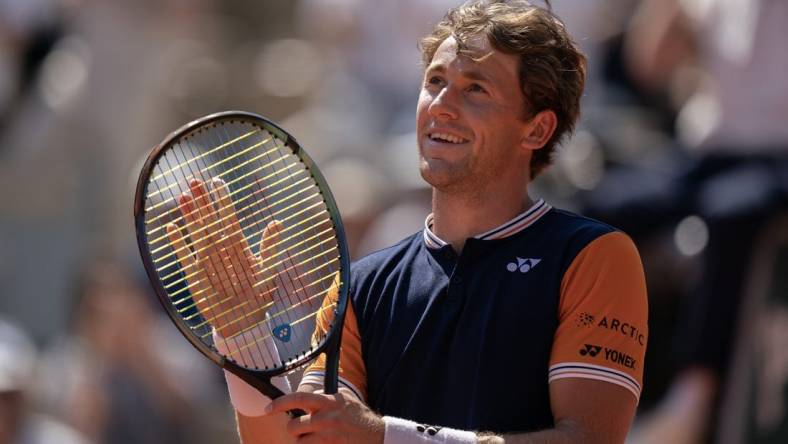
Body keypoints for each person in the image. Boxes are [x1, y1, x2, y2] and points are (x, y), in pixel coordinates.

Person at [168, 1, 648, 442]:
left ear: (537, 128)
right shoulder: (359, 288)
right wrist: (245, 341)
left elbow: (587, 439)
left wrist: (384, 436)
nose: (441, 105)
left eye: (475, 89)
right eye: (434, 82)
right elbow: (306, 439)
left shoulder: (593, 258)